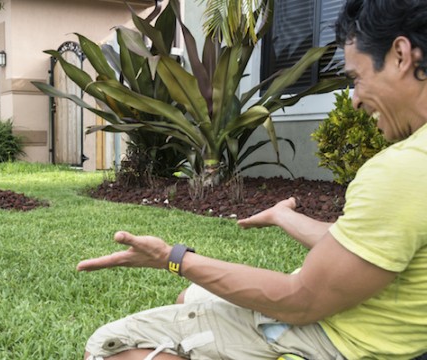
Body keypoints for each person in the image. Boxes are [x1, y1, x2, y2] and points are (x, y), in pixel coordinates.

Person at [76, 0, 427, 359]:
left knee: (108, 348)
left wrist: (172, 257)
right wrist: (282, 215)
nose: (353, 100)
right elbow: (364, 244)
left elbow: (299, 300)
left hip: (335, 342)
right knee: (191, 298)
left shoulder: (404, 168)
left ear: (400, 55)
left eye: (356, 78)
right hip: (379, 332)